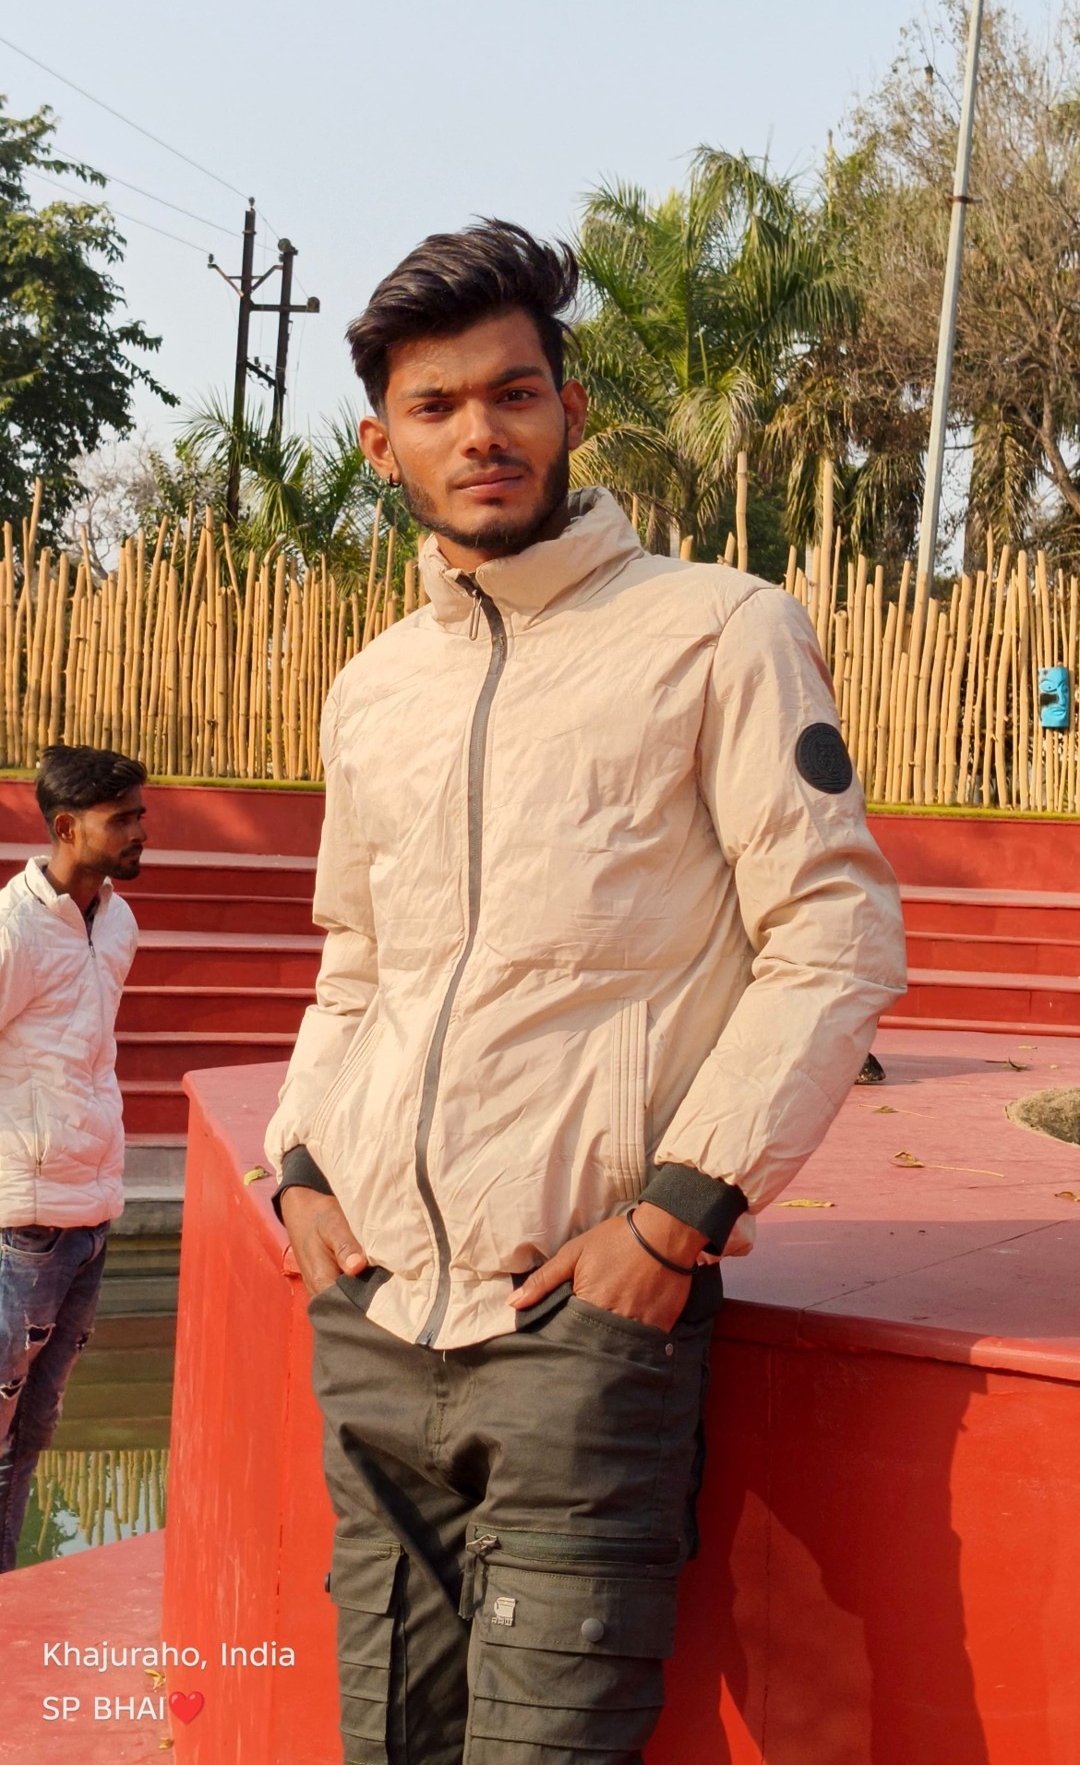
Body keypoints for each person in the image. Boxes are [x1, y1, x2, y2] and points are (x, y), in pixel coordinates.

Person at [267, 219, 907, 1764]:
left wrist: (675, 1217)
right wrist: (298, 1166)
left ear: (568, 407)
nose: (480, 433)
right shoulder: (374, 690)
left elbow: (833, 933)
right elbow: (356, 960)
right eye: (436, 407)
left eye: (513, 393)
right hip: (373, 1320)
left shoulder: (720, 631)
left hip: (578, 1322)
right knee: (385, 1742)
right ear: (383, 446)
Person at [0, 745, 146, 1572]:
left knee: (34, 1432)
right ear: (66, 827)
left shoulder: (118, 921)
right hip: (21, 1223)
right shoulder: (14, 929)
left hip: (91, 1215)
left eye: (140, 815)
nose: (140, 832)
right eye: (122, 819)